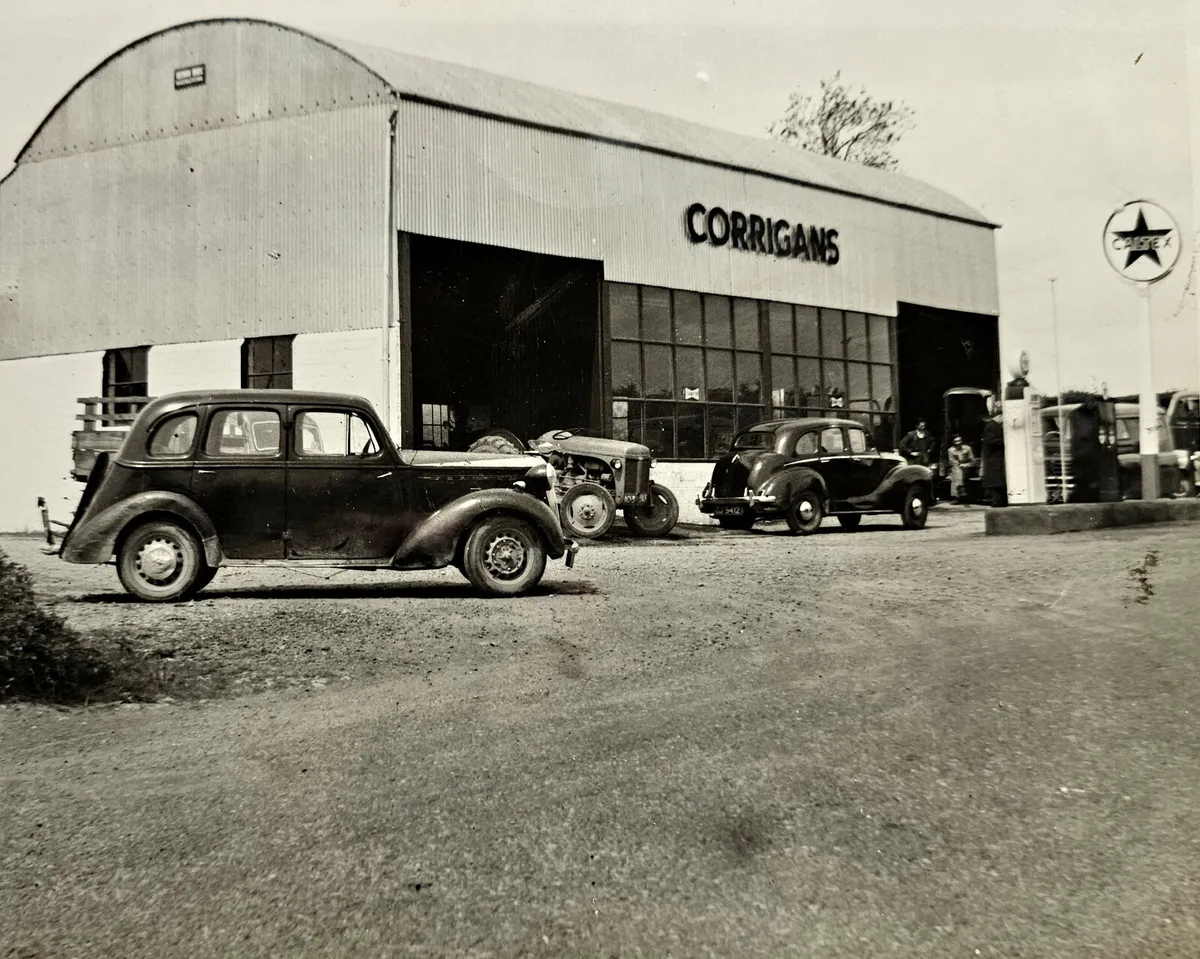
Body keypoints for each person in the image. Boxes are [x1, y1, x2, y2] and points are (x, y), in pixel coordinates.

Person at [980, 410, 1007, 507]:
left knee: (999, 487)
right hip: (994, 461)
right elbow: (990, 441)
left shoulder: (994, 426)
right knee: (997, 487)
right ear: (999, 416)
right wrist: (1006, 440)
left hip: (996, 461)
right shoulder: (991, 426)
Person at [946, 434, 975, 503]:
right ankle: (961, 491)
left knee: (956, 472)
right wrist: (959, 465)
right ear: (953, 442)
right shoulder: (950, 450)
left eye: (959, 440)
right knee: (956, 470)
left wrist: (966, 465)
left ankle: (957, 495)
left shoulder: (967, 448)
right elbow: (952, 461)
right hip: (957, 468)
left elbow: (973, 461)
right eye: (956, 441)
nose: (958, 442)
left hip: (967, 467)